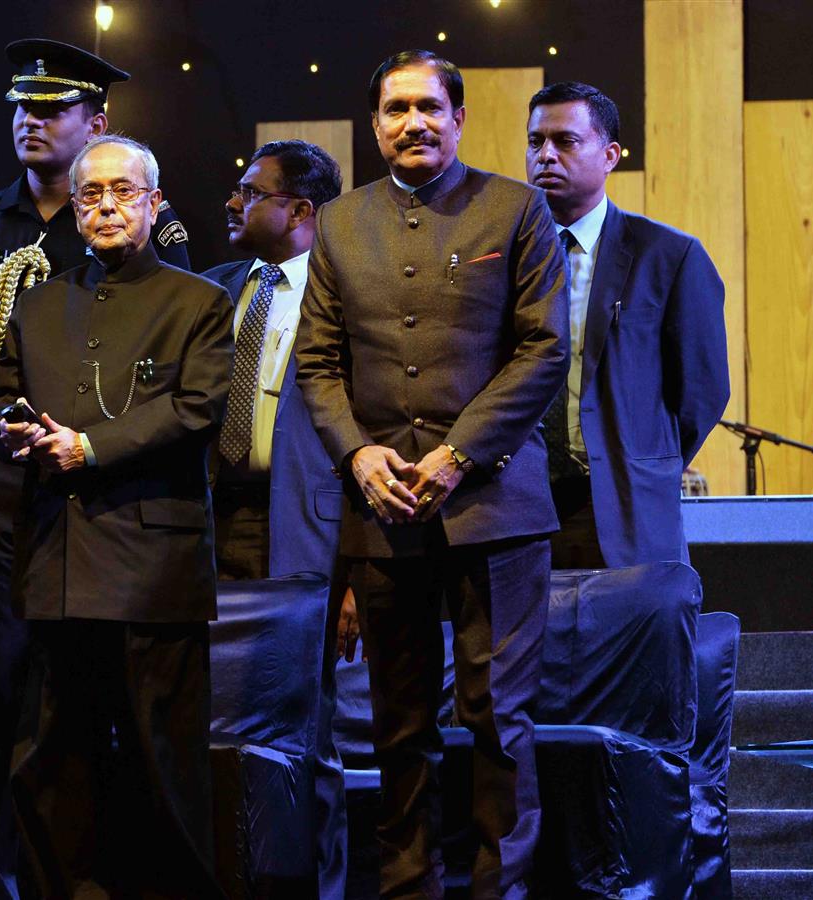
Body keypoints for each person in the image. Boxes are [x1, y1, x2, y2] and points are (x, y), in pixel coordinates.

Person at [0, 40, 191, 898]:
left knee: (82, 704)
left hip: (98, 490)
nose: (31, 120)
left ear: (96, 122)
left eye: (53, 108)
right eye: (22, 107)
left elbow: (168, 365)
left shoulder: (136, 223)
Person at [295, 50, 570, 898]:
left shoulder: (516, 209)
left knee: (496, 721)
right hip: (381, 509)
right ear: (375, 124)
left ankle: (501, 890)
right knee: (397, 725)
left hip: (497, 508)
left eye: (428, 108)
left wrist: (459, 452)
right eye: (395, 109)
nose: (412, 123)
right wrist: (356, 451)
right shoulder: (340, 222)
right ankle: (407, 888)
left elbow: (544, 348)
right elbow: (315, 362)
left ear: (457, 118)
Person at [0, 135, 232, 898]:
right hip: (56, 565)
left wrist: (89, 446)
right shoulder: (37, 302)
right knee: (53, 763)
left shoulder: (200, 302)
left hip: (152, 569)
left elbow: (197, 410)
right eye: (90, 195)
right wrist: (12, 425)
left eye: (123, 192)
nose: (104, 207)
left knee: (165, 767)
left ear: (154, 204)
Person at [201, 138, 354, 898]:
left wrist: (356, 572)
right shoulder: (211, 289)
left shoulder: (347, 293)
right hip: (210, 528)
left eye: (249, 190)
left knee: (307, 727)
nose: (233, 202)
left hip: (308, 531)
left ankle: (315, 888)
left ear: (300, 210)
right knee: (217, 719)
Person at [525, 81, 729, 569]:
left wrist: (643, 460)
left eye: (566, 142)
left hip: (625, 506)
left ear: (610, 155)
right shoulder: (503, 256)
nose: (546, 156)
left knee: (632, 643)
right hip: (523, 508)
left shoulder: (671, 255)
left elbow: (702, 392)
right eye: (536, 142)